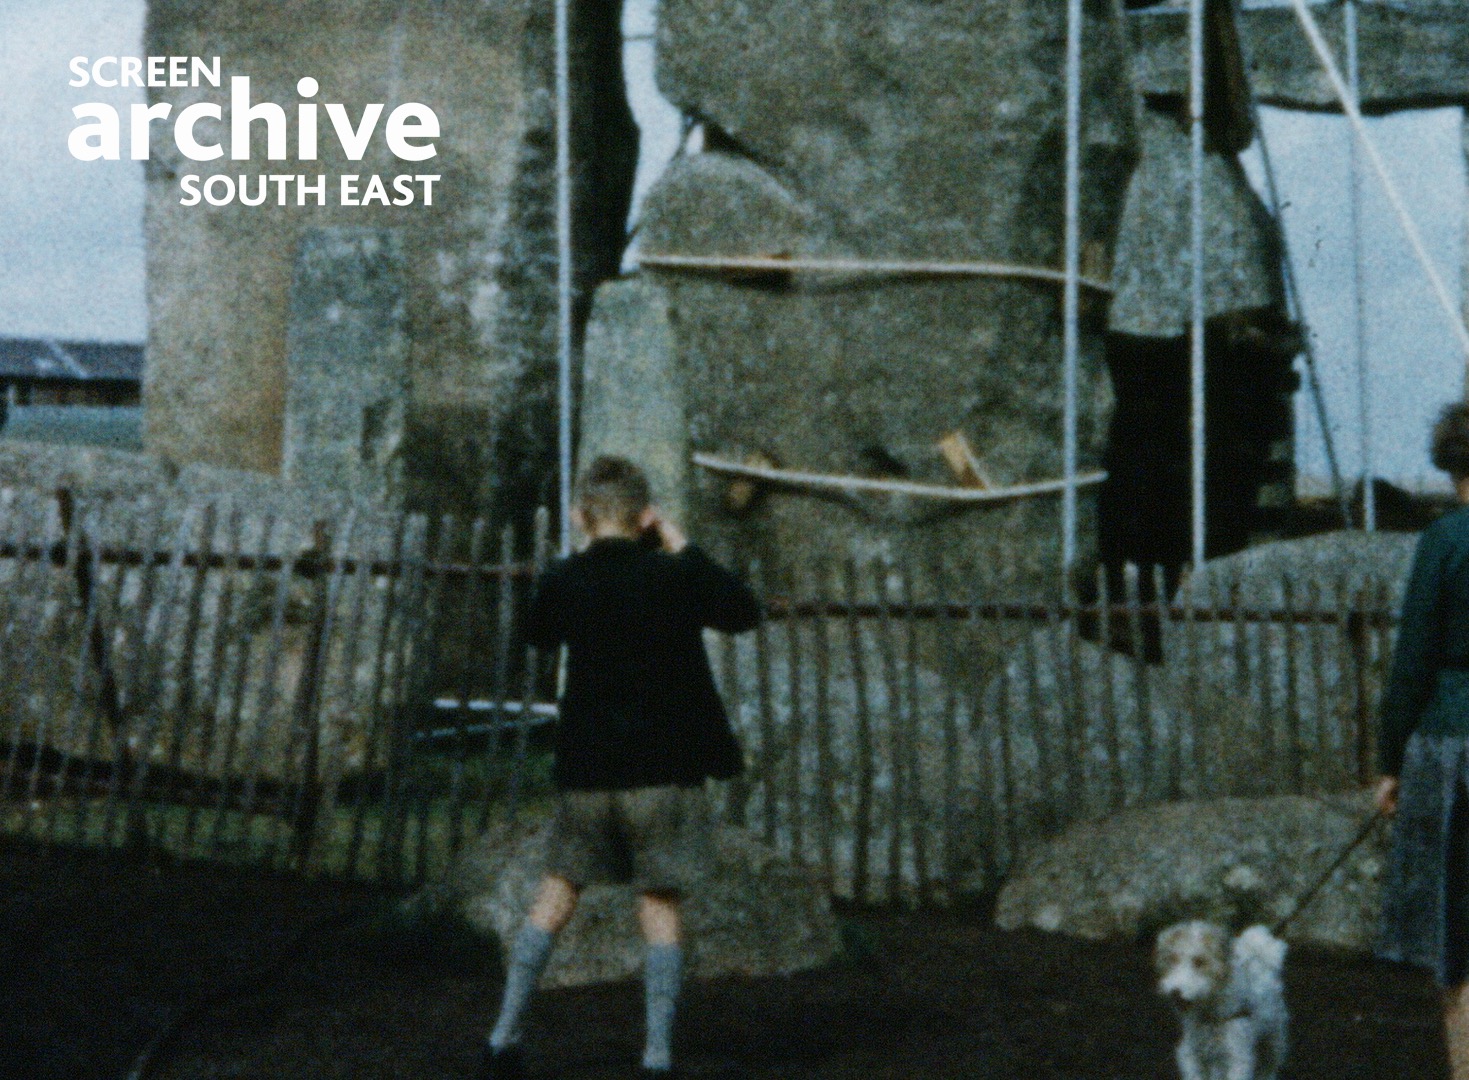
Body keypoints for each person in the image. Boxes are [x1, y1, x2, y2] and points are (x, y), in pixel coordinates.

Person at [478, 455, 762, 1080]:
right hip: (662, 773)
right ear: (646, 517)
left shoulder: (567, 579)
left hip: (588, 772)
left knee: (555, 896)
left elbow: (535, 632)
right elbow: (743, 610)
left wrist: (580, 556)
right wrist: (680, 544)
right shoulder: (673, 575)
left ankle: (503, 1037)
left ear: (581, 515)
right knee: (659, 906)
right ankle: (656, 1056)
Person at [1376, 402, 1469, 1079]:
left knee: (1457, 931)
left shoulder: (1443, 541)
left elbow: (1412, 660)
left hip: (1451, 744)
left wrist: (1389, 764)